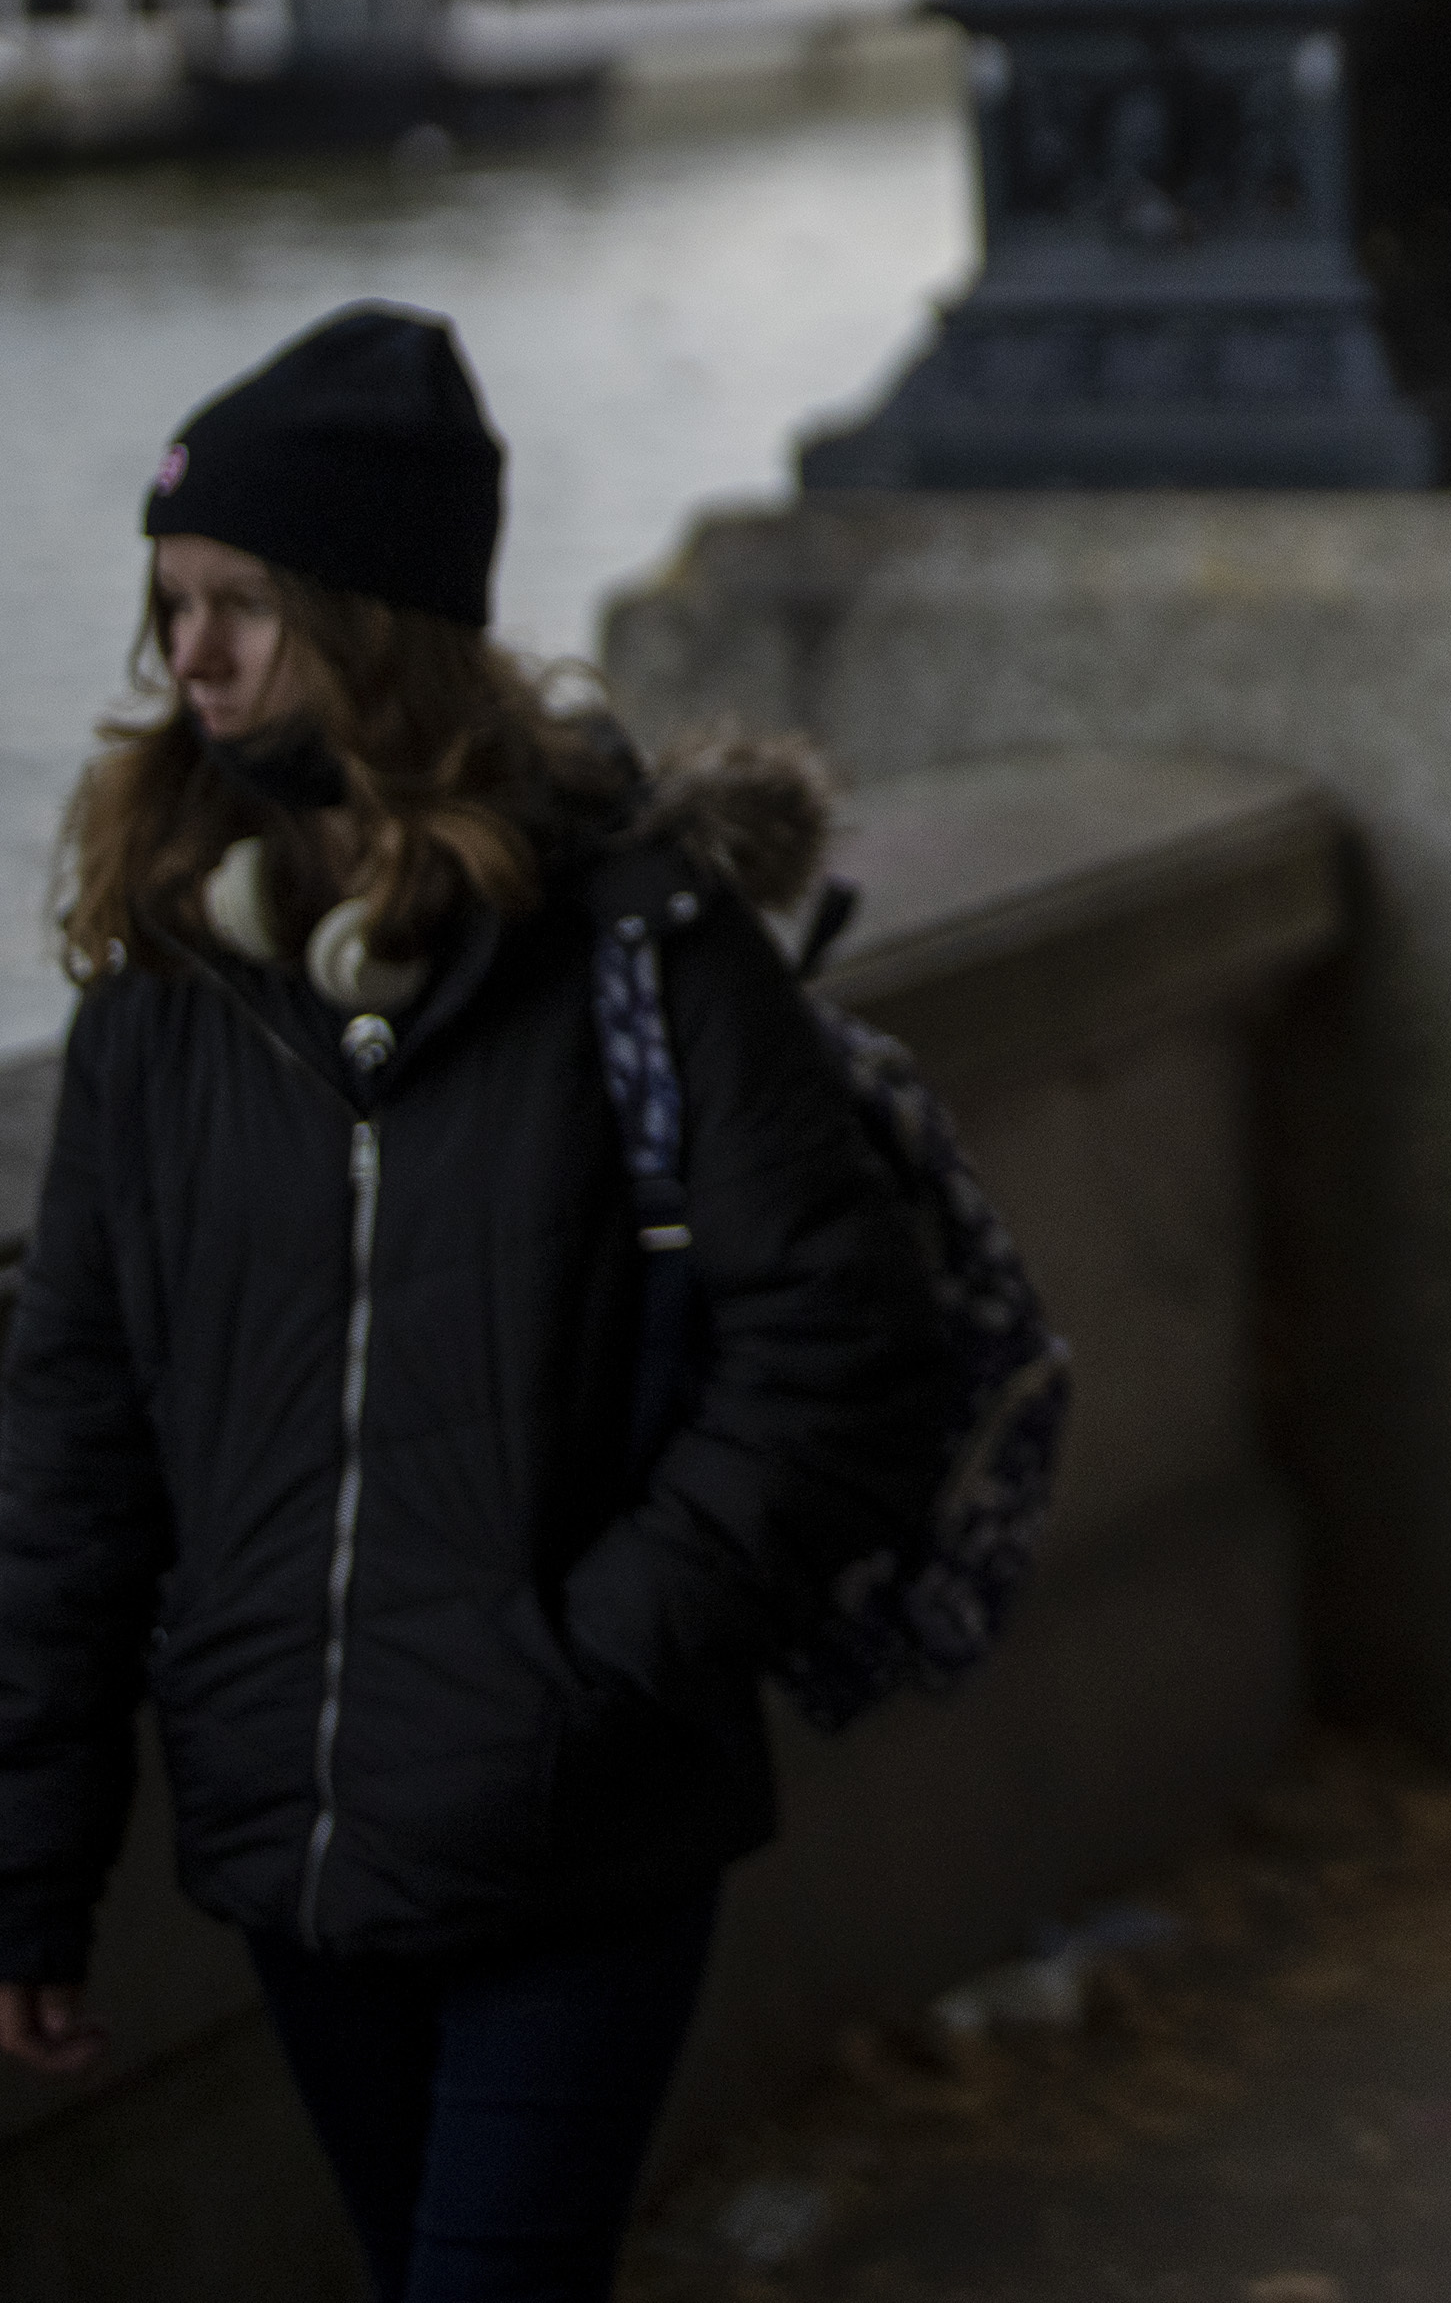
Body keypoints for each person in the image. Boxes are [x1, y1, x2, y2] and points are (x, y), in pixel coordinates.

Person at [0, 307, 941, 2303]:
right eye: (172, 602)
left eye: (244, 602)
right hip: (291, 1834)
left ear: (382, 616)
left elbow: (847, 1352)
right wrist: (33, 1866)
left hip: (572, 1834)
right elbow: (72, 1441)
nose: (196, 654)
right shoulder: (167, 992)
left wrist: (584, 1665)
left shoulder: (634, 940)